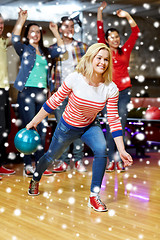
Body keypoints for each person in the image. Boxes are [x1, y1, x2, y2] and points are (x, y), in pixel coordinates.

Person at [26, 43, 133, 212]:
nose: (102, 62)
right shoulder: (75, 78)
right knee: (50, 156)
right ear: (90, 58)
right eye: (99, 58)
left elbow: (113, 119)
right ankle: (36, 178)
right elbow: (54, 101)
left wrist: (121, 150)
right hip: (67, 127)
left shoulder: (110, 88)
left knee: (101, 149)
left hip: (90, 125)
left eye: (106, 59)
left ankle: (94, 196)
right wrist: (34, 121)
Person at [12, 8, 65, 177]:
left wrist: (56, 31)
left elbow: (62, 49)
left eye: (37, 32)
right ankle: (28, 165)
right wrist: (21, 20)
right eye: (32, 31)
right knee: (29, 128)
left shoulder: (46, 52)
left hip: (43, 93)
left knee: (42, 129)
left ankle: (39, 165)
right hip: (26, 92)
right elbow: (14, 38)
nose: (35, 34)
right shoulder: (24, 49)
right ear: (27, 34)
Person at [97, 1, 140, 172]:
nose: (115, 39)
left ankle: (119, 159)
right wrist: (100, 11)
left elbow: (135, 32)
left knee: (120, 124)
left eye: (117, 36)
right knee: (110, 125)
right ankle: (110, 159)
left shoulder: (125, 50)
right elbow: (100, 29)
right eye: (111, 37)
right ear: (106, 40)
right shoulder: (104, 51)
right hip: (108, 93)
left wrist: (127, 15)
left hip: (124, 92)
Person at [51, 16, 88, 173]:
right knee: (62, 128)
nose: (69, 29)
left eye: (72, 26)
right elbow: (49, 72)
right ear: (60, 29)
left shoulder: (83, 47)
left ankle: (79, 160)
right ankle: (63, 161)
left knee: (78, 127)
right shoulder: (53, 48)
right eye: (66, 26)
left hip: (78, 93)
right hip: (60, 93)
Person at [0, 13, 16, 179]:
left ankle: (0, 164)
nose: (1, 26)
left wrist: (21, 19)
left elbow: (16, 35)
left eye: (2, 23)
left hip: (3, 90)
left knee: (5, 129)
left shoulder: (3, 41)